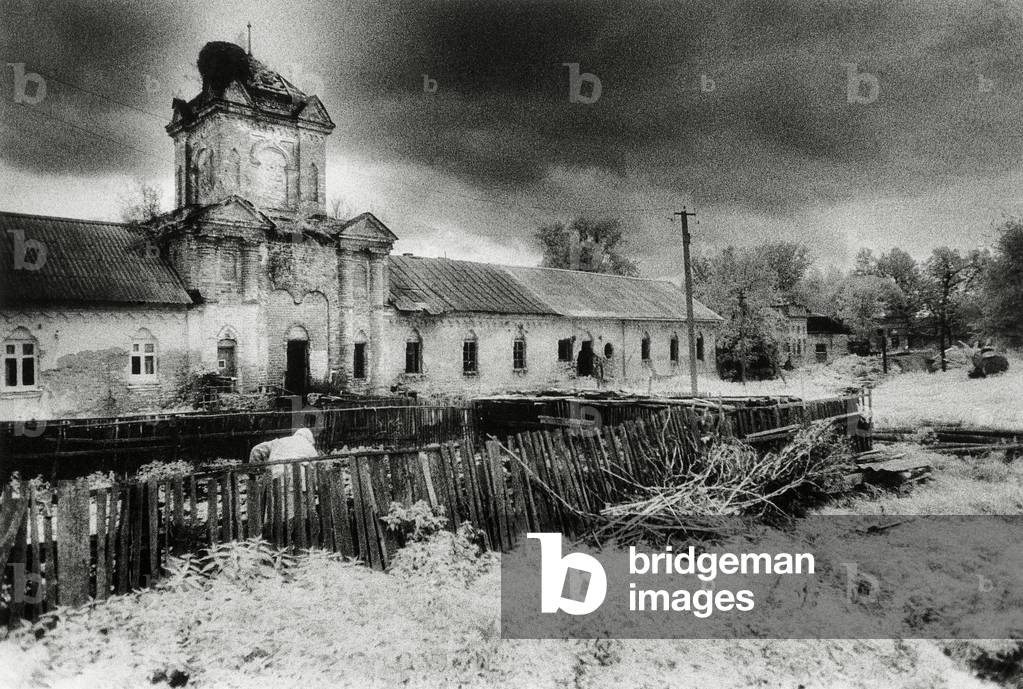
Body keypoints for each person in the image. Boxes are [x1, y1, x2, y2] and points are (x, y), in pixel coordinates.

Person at [249, 427, 318, 477]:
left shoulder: (279, 441)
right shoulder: (309, 447)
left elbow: (256, 450)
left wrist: (258, 472)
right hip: (299, 481)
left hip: (276, 476)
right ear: (310, 439)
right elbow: (316, 468)